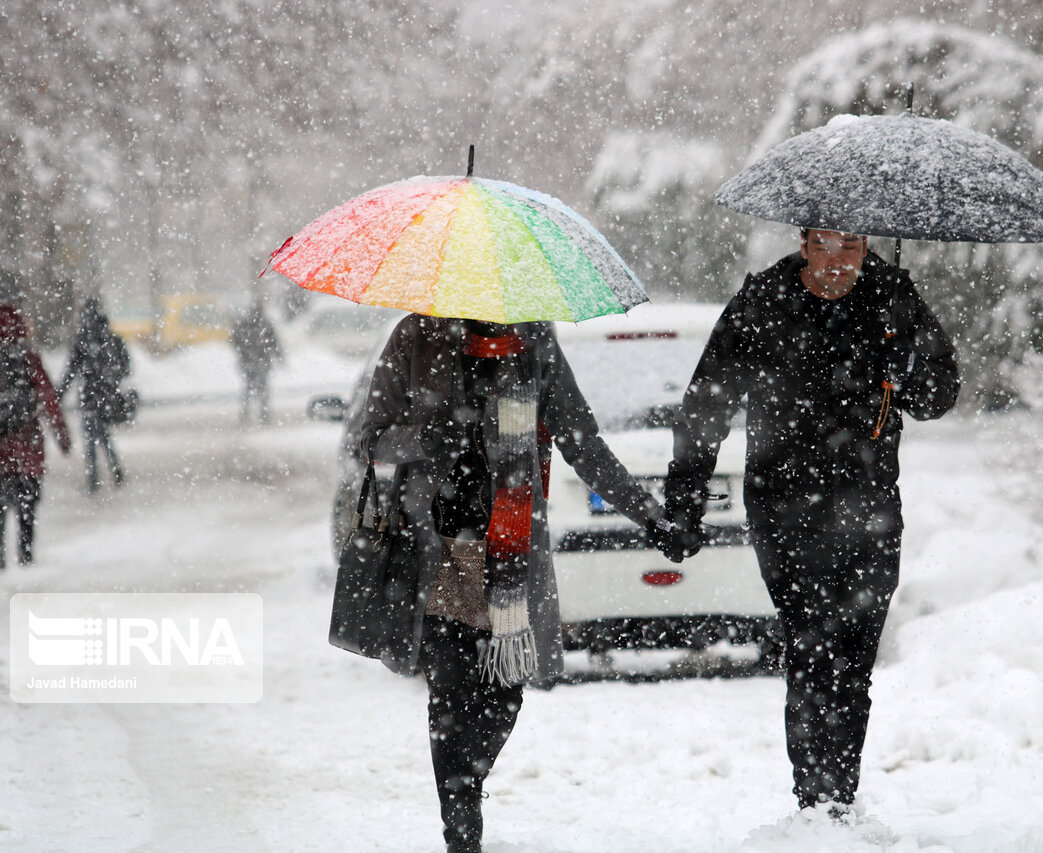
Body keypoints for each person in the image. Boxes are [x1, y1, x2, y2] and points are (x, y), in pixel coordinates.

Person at [661, 228, 960, 818]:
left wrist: (906, 354)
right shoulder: (763, 303)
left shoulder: (893, 299)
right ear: (804, 242)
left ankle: (837, 802)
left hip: (870, 510)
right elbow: (707, 404)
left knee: (854, 660)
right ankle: (816, 803)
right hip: (784, 511)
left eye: (851, 247)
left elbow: (936, 397)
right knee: (812, 649)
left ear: (868, 246)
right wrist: (685, 497)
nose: (836, 262)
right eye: (825, 245)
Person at [359, 314, 667, 853]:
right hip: (439, 554)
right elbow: (374, 440)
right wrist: (427, 438)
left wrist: (650, 515)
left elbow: (583, 442)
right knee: (451, 699)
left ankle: (466, 788)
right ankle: (462, 831)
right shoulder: (417, 334)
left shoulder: (534, 339)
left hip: (510, 556)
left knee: (503, 700)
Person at [0, 303, 71, 567]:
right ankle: (26, 555)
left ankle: (1, 560)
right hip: (27, 449)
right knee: (27, 508)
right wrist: (61, 435)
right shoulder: (28, 358)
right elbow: (48, 398)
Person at [59, 297, 130, 493]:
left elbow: (71, 370)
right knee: (104, 435)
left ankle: (94, 479)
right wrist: (112, 381)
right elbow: (125, 366)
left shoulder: (83, 339)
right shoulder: (110, 337)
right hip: (107, 395)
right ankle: (114, 470)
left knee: (91, 438)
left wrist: (59, 394)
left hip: (89, 396)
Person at [228, 304, 282, 424]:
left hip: (249, 362)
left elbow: (235, 341)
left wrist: (243, 354)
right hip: (262, 361)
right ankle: (263, 413)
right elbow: (274, 343)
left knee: (249, 388)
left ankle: (246, 412)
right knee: (262, 388)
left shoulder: (245, 325)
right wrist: (278, 357)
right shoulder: (265, 325)